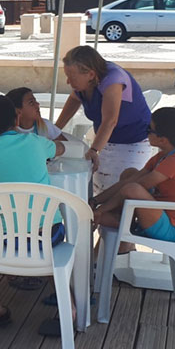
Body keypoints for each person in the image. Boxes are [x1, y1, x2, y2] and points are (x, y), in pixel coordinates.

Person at [0, 95, 67, 328]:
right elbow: (59, 147)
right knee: (48, 254)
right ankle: (71, 307)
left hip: (5, 239)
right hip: (46, 234)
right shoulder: (36, 142)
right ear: (17, 117)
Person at [55, 46, 152, 252]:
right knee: (104, 192)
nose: (68, 82)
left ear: (90, 74)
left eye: (71, 76)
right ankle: (116, 249)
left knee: (119, 197)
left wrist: (94, 150)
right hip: (108, 141)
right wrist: (54, 130)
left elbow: (110, 120)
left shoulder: (113, 79)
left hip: (132, 142)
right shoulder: (85, 84)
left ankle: (116, 250)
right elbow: (74, 100)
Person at [92, 107, 175, 243]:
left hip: (173, 228)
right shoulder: (163, 156)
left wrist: (101, 209)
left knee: (133, 188)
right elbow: (131, 180)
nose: (146, 133)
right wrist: (96, 201)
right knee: (129, 173)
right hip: (162, 214)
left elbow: (133, 188)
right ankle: (117, 220)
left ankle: (118, 223)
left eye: (149, 130)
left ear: (162, 140)